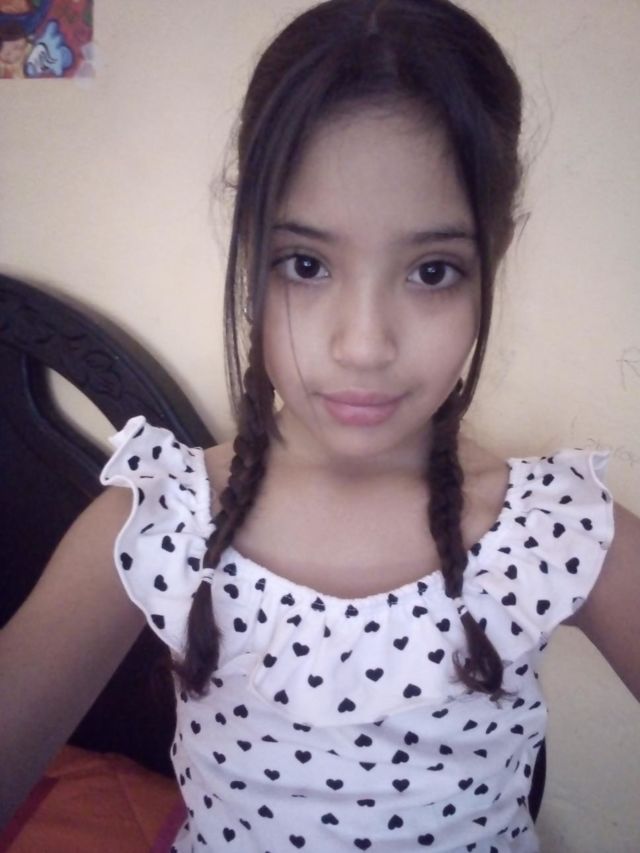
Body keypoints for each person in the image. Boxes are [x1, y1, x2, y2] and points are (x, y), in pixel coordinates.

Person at [1, 0, 638, 849]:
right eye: (305, 264)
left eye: (433, 271)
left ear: (495, 257)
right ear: (249, 249)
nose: (363, 344)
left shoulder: (556, 529)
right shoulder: (157, 522)